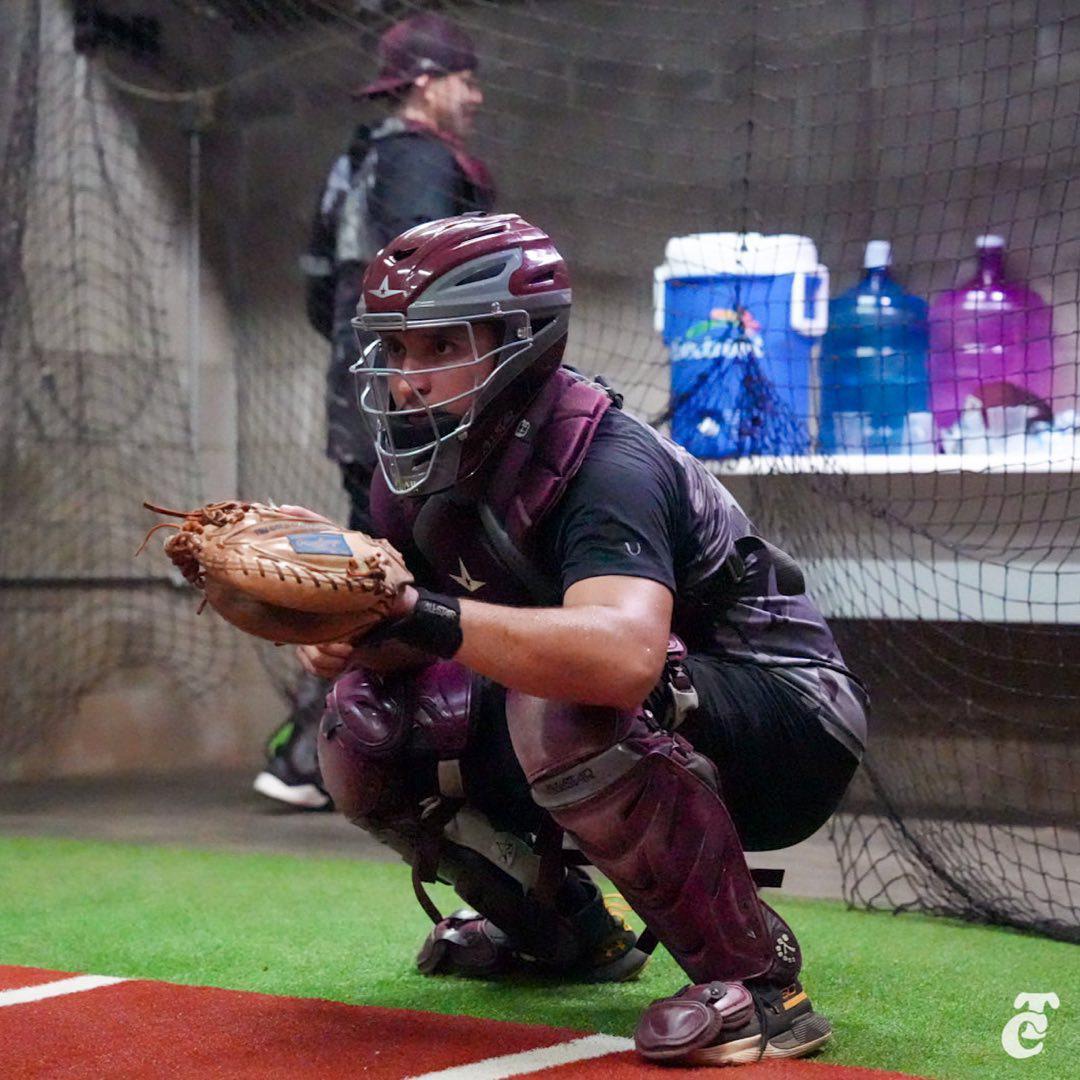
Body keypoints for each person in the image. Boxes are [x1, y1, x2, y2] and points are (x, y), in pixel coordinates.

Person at [301, 212, 868, 1066]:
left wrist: (416, 614)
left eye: (440, 347)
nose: (408, 379)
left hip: (790, 718)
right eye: (397, 350)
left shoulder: (605, 462)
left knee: (565, 699)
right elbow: (422, 641)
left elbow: (620, 656)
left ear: (519, 342)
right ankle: (557, 930)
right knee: (363, 723)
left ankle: (760, 992)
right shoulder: (416, 471)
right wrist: (346, 633)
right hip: (645, 705)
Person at [255, 13, 495, 809]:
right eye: (466, 80)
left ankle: (337, 755)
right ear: (428, 82)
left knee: (389, 570)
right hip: (400, 413)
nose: (477, 96)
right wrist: (420, 383)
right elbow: (421, 294)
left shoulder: (361, 157)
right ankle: (315, 756)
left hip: (367, 404)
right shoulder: (422, 161)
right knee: (387, 574)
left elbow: (324, 292)